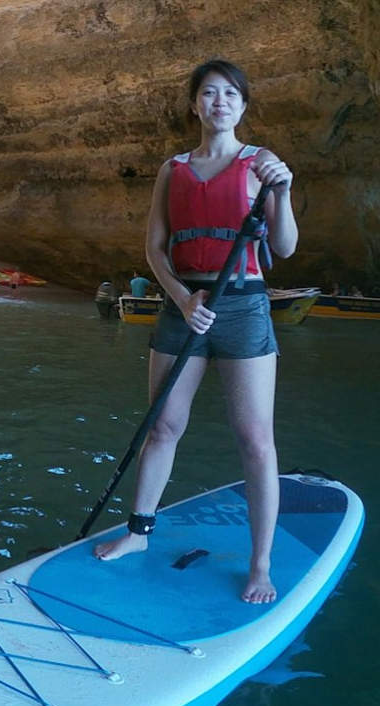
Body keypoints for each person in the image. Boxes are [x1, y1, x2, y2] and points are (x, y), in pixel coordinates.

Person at [92, 59, 297, 605]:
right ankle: (138, 533)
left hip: (244, 306)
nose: (220, 102)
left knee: (255, 439)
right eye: (209, 93)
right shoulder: (172, 168)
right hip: (184, 306)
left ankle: (260, 564)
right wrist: (182, 300)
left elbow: (284, 247)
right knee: (163, 427)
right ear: (195, 105)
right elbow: (155, 250)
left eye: (230, 93)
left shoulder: (261, 165)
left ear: (243, 105)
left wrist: (286, 190)